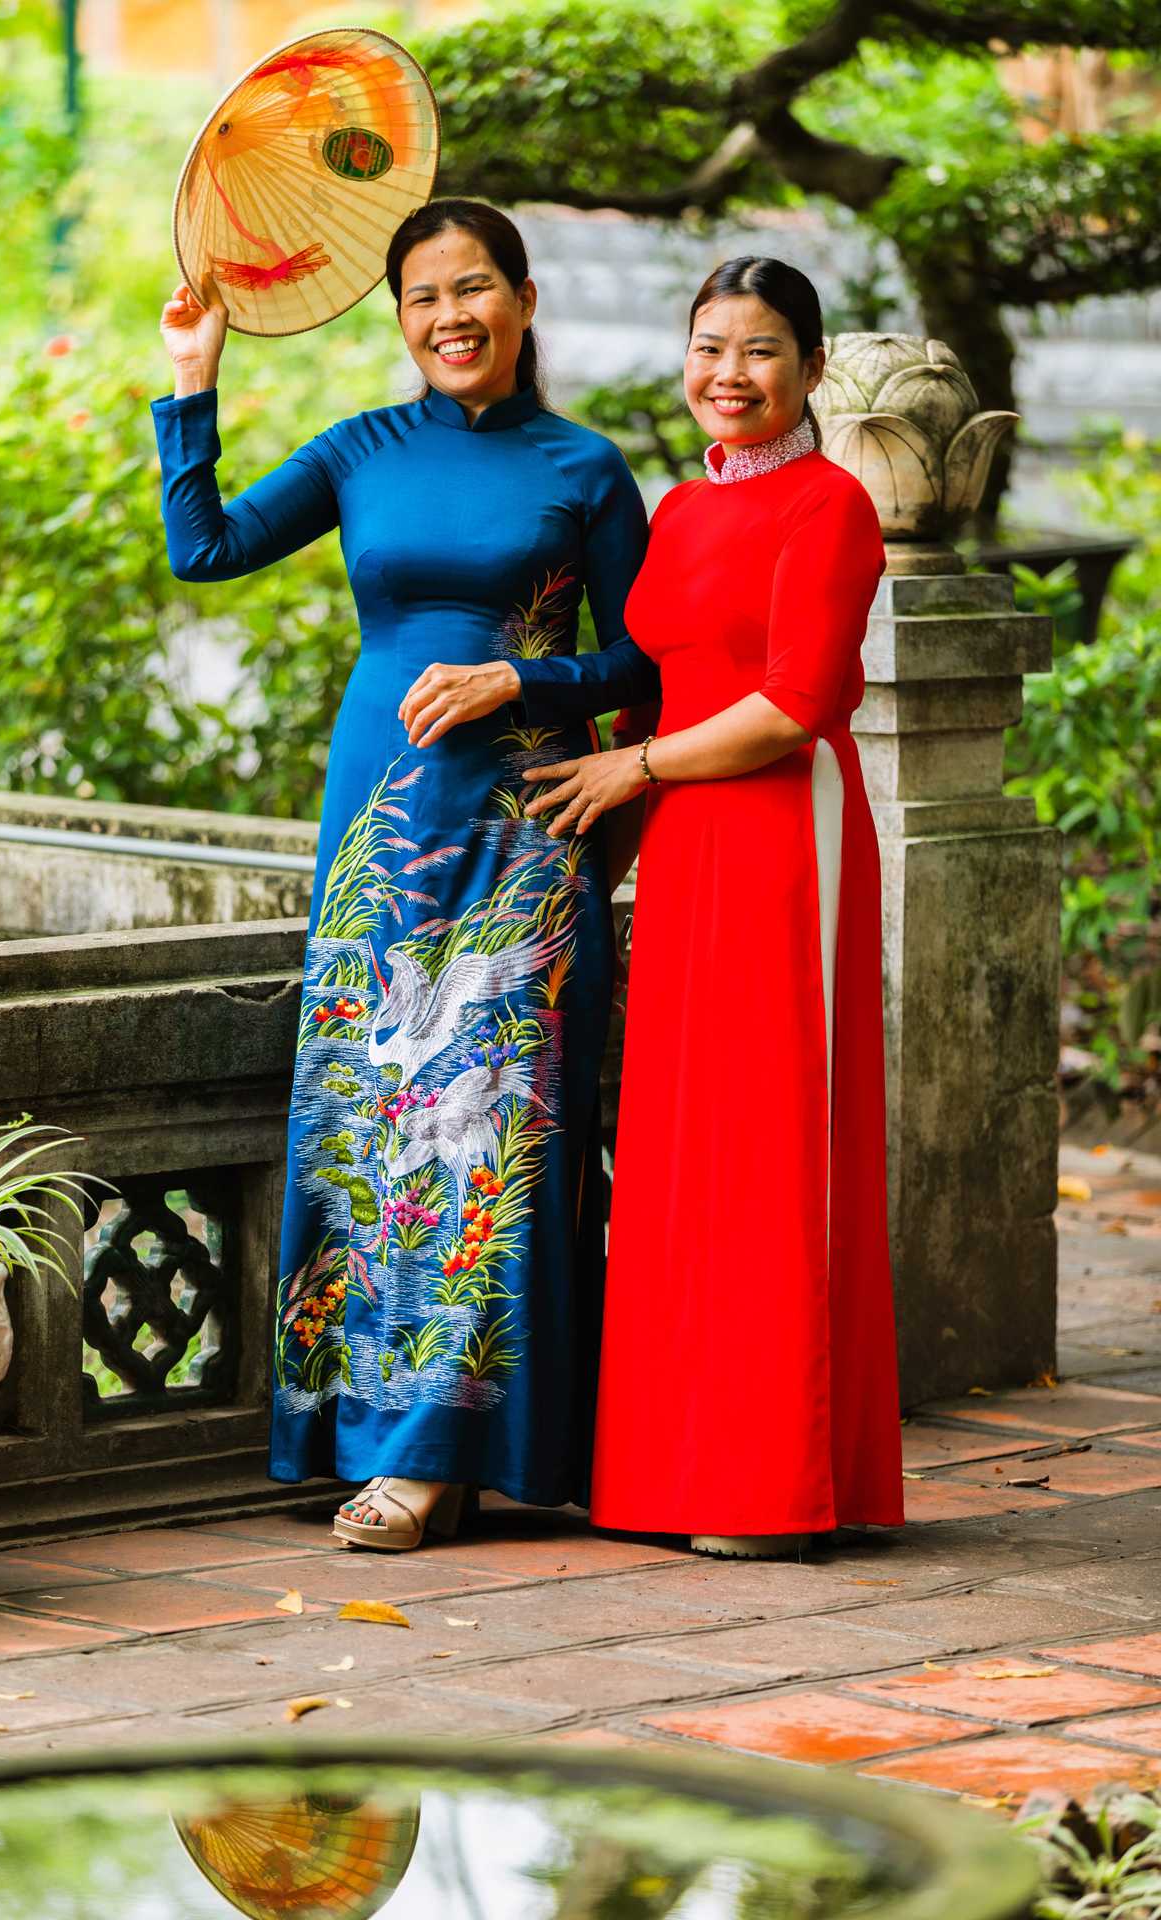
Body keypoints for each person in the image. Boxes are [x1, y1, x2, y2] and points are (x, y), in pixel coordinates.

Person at [153, 199, 659, 1550]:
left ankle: (439, 1461)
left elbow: (647, 662)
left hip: (524, 836)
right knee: (370, 1124)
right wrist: (194, 378)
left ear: (526, 301)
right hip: (378, 833)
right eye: (424, 296)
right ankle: (366, 1431)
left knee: (496, 1139)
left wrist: (520, 680)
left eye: (475, 287)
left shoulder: (586, 469)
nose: (451, 316)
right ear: (399, 317)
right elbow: (203, 549)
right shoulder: (360, 449)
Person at [524, 256, 905, 1558]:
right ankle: (671, 1475)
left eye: (760, 350)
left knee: (768, 1145)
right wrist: (595, 849)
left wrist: (636, 767)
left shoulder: (830, 504)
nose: (728, 374)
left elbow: (794, 703)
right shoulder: (683, 508)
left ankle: (773, 1482)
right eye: (709, 346)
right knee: (680, 1152)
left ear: (811, 366)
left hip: (782, 836)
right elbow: (650, 686)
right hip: (685, 843)